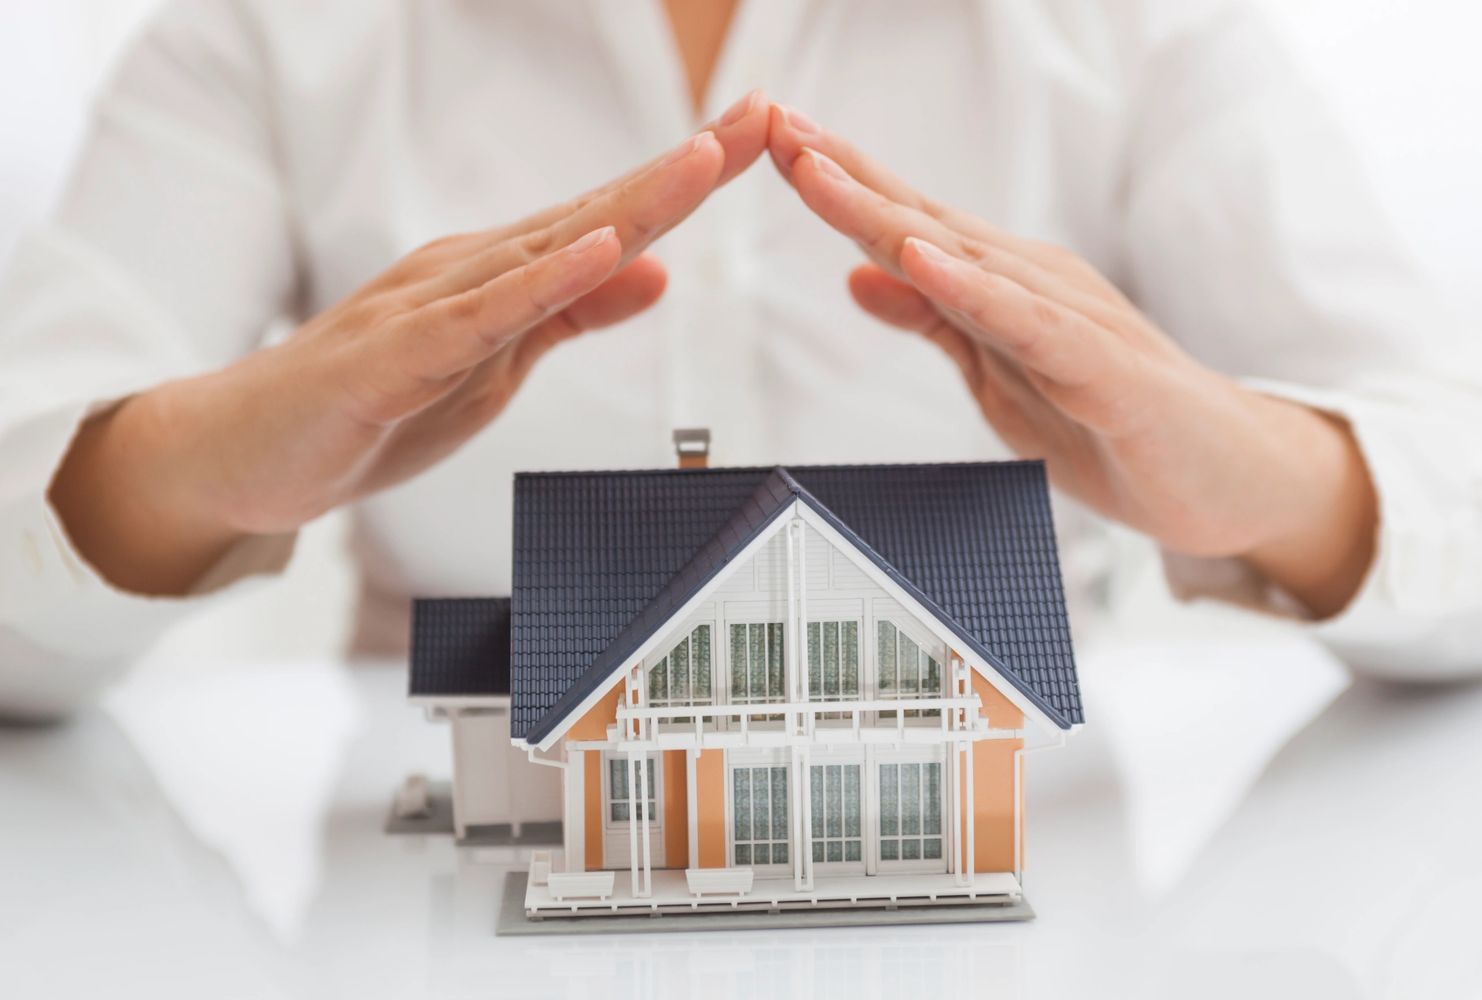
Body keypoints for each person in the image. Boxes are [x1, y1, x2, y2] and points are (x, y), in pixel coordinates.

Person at [2, 0, 1479, 719]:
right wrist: (186, 466)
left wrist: (1256, 479)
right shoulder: (267, 31)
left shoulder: (1139, 25)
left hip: (1043, 873)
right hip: (419, 881)